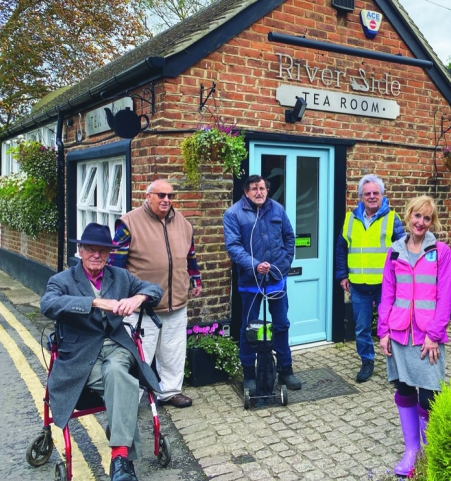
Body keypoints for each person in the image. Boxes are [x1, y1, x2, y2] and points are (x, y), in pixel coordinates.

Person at [40, 223, 163, 481]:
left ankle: (119, 459)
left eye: (103, 251)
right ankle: (122, 460)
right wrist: (93, 302)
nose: (97, 255)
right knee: (120, 379)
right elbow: (48, 304)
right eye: (91, 250)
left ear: (109, 253)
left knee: (118, 368)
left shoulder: (120, 276)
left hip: (117, 346)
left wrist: (137, 299)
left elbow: (155, 289)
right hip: (80, 354)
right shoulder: (61, 280)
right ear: (80, 250)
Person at [378, 196, 451, 478]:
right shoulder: (394, 252)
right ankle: (412, 451)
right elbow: (387, 294)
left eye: (426, 218)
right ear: (408, 217)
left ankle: (429, 450)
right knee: (404, 389)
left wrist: (434, 334)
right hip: (398, 334)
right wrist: (383, 331)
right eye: (417, 216)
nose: (420, 222)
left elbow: (445, 296)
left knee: (430, 395)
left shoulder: (441, 252)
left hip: (427, 337)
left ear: (431, 222)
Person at [108, 179, 202, 409]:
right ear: (147, 196)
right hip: (142, 307)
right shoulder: (129, 223)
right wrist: (117, 297)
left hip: (176, 302)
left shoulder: (184, 224)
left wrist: (195, 279)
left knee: (173, 352)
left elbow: (190, 257)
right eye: (160, 195)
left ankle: (170, 392)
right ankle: (130, 401)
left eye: (170, 196)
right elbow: (115, 264)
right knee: (138, 357)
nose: (166, 200)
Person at [223, 174, 301, 394]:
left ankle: (285, 369)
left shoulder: (277, 209)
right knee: (250, 327)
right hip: (251, 280)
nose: (259, 192)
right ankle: (249, 373)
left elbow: (289, 238)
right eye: (254, 188)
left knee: (281, 324)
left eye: (263, 188)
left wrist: (283, 265)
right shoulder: (233, 214)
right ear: (246, 192)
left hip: (276, 279)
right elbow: (233, 246)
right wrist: (255, 265)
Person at [336, 174, 405, 383]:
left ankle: (396, 368)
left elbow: (402, 250)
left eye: (376, 193)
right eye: (367, 194)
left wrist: (399, 278)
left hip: (386, 286)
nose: (372, 196)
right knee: (361, 328)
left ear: (382, 195)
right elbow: (342, 248)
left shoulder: (392, 219)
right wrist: (342, 275)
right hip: (358, 285)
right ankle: (367, 361)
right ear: (361, 197)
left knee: (392, 326)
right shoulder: (350, 219)